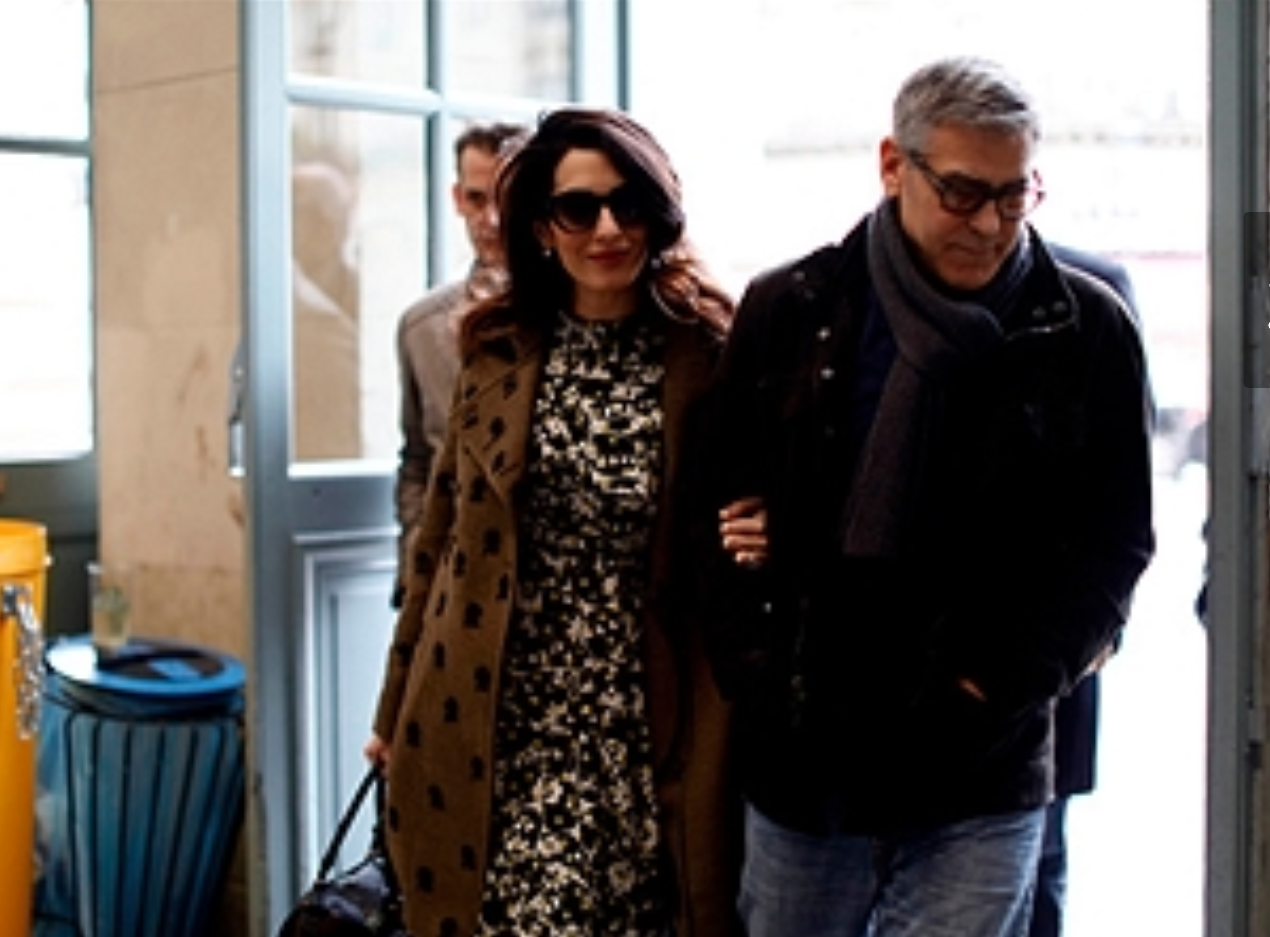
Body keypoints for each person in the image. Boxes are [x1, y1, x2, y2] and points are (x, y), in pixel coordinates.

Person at [694, 56, 1156, 937]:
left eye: (1015, 196)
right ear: (892, 165)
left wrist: (1002, 682)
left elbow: (1116, 541)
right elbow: (712, 506)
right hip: (808, 752)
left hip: (982, 758)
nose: (989, 224)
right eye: (963, 193)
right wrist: (756, 670)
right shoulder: (793, 307)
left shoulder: (1083, 327)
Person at [366, 106, 742, 937]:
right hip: (499, 707)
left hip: (643, 711)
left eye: (627, 204)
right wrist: (393, 710)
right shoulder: (496, 348)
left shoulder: (709, 352)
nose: (607, 228)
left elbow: (753, 512)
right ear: (541, 226)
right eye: (578, 208)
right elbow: (440, 541)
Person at [1032, 242, 1142, 937]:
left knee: (1040, 859)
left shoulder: (1093, 295)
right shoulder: (848, 291)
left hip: (1048, 644)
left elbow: (1123, 499)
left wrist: (1090, 632)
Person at [393, 120, 527, 609]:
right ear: (456, 199)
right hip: (445, 579)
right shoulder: (421, 327)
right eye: (476, 199)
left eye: (505, 200)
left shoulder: (573, 317)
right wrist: (415, 558)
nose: (490, 219)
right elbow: (417, 457)